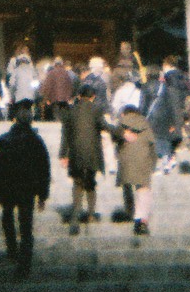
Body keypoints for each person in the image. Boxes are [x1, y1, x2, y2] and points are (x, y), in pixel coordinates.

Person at [0, 98, 50, 276]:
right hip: (26, 189)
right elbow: (44, 168)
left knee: (8, 218)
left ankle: (12, 250)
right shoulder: (36, 141)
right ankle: (24, 260)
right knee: (26, 226)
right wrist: (43, 194)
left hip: (8, 188)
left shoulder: (4, 140)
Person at [60, 76, 111, 234]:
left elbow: (65, 135)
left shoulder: (71, 111)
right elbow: (105, 126)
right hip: (92, 154)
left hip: (75, 153)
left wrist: (63, 155)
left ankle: (75, 218)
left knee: (77, 184)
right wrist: (122, 132)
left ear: (79, 96)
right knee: (90, 183)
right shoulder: (96, 110)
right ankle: (90, 214)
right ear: (93, 96)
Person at [116, 104, 157, 235]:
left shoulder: (122, 123)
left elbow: (115, 138)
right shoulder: (145, 123)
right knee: (143, 189)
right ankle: (141, 220)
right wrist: (153, 163)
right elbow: (152, 143)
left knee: (127, 185)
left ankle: (130, 211)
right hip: (143, 159)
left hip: (126, 160)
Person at [148, 54, 190, 174]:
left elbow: (166, 95)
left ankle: (166, 160)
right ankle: (171, 157)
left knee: (164, 136)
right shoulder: (183, 76)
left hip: (169, 109)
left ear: (167, 65)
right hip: (179, 108)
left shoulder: (168, 78)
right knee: (174, 134)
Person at [39, 55, 74, 121]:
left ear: (54, 64)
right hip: (65, 100)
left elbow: (47, 86)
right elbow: (70, 86)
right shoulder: (66, 73)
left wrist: (46, 98)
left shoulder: (51, 73)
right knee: (63, 116)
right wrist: (69, 97)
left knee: (56, 117)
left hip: (54, 99)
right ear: (62, 64)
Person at [5, 41, 39, 107]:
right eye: (25, 50)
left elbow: (34, 75)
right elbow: (10, 74)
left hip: (23, 92)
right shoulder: (14, 61)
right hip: (21, 90)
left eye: (27, 50)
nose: (27, 51)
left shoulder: (29, 63)